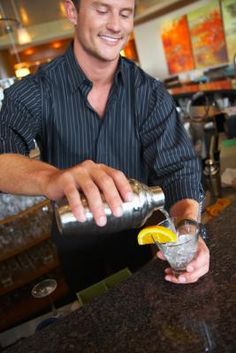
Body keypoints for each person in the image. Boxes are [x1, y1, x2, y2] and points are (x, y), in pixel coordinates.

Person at [0, 0, 209, 293]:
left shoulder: (149, 94)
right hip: (75, 245)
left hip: (140, 242)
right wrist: (52, 179)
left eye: (125, 13)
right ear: (71, 11)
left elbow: (179, 171)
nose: (115, 24)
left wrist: (188, 235)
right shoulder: (35, 91)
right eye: (102, 9)